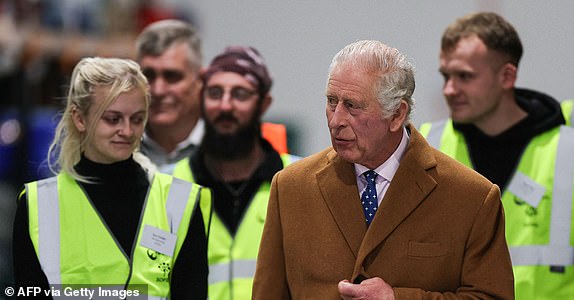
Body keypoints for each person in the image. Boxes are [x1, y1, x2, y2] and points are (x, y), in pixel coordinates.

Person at [252, 40, 514, 299]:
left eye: (352, 106)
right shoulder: (290, 188)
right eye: (332, 101)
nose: (336, 120)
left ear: (397, 115)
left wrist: (398, 299)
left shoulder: (472, 197)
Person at [12, 57, 212, 299]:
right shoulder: (38, 204)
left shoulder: (179, 201)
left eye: (137, 119)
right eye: (113, 119)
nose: (127, 131)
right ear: (79, 118)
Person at [419, 12, 574, 299]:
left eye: (464, 76)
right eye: (446, 76)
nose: (449, 89)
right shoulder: (426, 146)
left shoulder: (567, 152)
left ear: (507, 76)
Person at [171, 46, 299, 300]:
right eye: (215, 93)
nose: (225, 105)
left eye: (240, 94)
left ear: (264, 103)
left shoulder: (299, 180)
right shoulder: (170, 185)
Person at [135, 19, 205, 173]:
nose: (158, 90)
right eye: (148, 75)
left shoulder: (227, 150)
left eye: (172, 76)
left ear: (200, 80)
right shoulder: (116, 146)